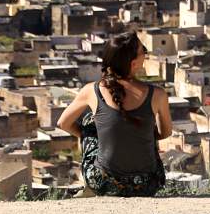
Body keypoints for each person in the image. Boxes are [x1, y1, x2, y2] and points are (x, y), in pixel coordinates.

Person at [57, 31, 173, 197]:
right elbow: (165, 132)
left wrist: (93, 136)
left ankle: (90, 187)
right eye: (144, 51)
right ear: (133, 63)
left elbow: (63, 123)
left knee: (91, 121)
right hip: (148, 184)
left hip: (104, 183)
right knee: (145, 127)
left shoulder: (92, 91)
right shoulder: (158, 94)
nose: (146, 55)